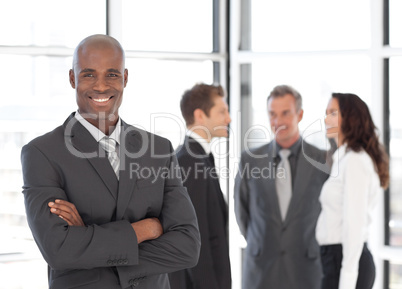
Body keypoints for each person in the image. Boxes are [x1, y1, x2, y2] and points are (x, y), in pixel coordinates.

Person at [20, 34, 200, 289]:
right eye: (89, 74)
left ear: (125, 78)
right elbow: (58, 250)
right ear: (72, 78)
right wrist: (145, 230)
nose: (101, 86)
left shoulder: (159, 150)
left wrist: (88, 242)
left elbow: (187, 247)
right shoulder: (43, 153)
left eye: (112, 74)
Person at [234, 84, 330, 289]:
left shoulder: (323, 161)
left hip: (306, 270)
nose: (278, 121)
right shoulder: (250, 160)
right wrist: (259, 243)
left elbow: (328, 213)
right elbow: (241, 212)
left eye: (285, 113)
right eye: (272, 114)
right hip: (260, 270)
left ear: (300, 114)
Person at [316, 93, 389, 289]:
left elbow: (354, 226)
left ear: (351, 118)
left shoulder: (354, 161)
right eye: (326, 113)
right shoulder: (344, 158)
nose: (326, 119)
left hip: (345, 263)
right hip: (333, 260)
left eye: (332, 113)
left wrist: (347, 280)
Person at [168, 83, 232, 289]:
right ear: (200, 116)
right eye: (222, 111)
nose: (228, 118)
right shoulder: (189, 161)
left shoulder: (198, 157)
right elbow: (196, 240)